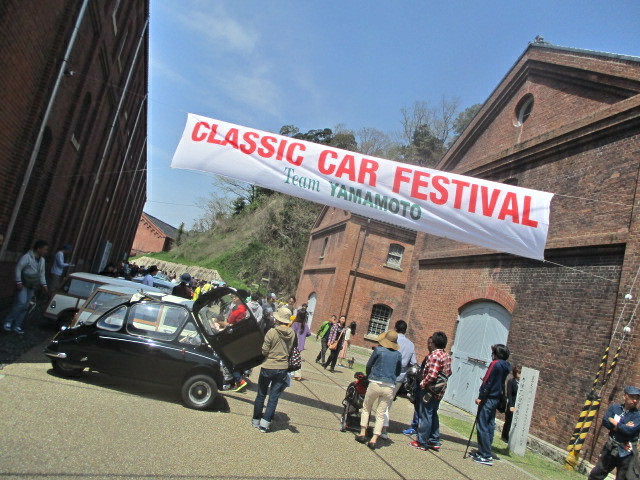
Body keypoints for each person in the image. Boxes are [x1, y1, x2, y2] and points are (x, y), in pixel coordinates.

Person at [355, 330, 402, 450]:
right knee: (381, 413)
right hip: (389, 386)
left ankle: (362, 433)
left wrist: (369, 375)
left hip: (375, 382)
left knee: (367, 407)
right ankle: (374, 439)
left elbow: (369, 365)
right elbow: (398, 371)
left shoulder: (378, 350)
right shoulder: (398, 355)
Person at [252, 307, 296, 433]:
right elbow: (290, 349)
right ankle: (265, 424)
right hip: (282, 367)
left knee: (261, 394)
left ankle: (256, 420)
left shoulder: (272, 332)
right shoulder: (292, 333)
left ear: (277, 319)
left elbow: (264, 350)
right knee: (273, 397)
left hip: (268, 366)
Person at [409, 331, 452, 452]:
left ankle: (421, 441)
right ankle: (434, 439)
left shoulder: (435, 355)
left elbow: (432, 375)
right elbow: (449, 372)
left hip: (429, 390)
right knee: (433, 413)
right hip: (439, 391)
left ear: (434, 343)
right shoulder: (446, 355)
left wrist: (423, 383)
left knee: (425, 415)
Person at [588, 385, 640, 480]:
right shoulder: (615, 408)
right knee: (597, 473)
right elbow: (605, 421)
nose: (635, 400)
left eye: (637, 398)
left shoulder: (638, 415)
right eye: (632, 397)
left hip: (626, 452)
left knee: (623, 478)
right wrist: (623, 426)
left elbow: (629, 431)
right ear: (625, 396)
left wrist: (615, 423)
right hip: (610, 447)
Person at [471, 344, 511, 466]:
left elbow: (488, 381)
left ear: (497, 354)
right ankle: (485, 450)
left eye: (493, 352)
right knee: (489, 424)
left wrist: (480, 396)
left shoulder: (495, 364)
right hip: (496, 398)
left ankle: (485, 454)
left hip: (488, 398)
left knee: (482, 424)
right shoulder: (506, 366)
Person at [4, 240, 49, 334]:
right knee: (21, 302)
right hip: (24, 283)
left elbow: (42, 273)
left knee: (26, 305)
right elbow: (18, 268)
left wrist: (44, 284)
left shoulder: (42, 260)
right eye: (44, 249)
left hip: (32, 284)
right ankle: (9, 321)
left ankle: (17, 324)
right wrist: (18, 281)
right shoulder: (27, 257)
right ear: (38, 249)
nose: (46, 251)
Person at [381, 320, 417, 439]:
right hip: (399, 377)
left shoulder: (391, 339)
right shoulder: (411, 345)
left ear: (395, 328)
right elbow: (413, 362)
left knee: (381, 400)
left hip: (385, 373)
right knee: (388, 402)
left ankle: (380, 427)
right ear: (405, 330)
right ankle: (383, 428)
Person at [403, 335, 434, 438]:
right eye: (428, 343)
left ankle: (419, 431)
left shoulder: (433, 357)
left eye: (430, 343)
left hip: (425, 388)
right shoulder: (429, 356)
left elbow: (431, 375)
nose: (428, 345)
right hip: (419, 387)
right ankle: (415, 427)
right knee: (418, 408)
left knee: (424, 411)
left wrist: (423, 383)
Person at [219, 292, 249, 391]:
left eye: (235, 297)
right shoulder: (243, 308)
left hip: (233, 336)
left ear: (240, 298)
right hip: (238, 336)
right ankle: (236, 380)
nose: (234, 298)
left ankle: (237, 380)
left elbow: (230, 322)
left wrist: (220, 322)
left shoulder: (239, 309)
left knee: (227, 359)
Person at [501, 365, 521, 442]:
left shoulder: (521, 383)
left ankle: (511, 437)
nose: (520, 375)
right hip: (511, 404)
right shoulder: (511, 382)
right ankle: (504, 436)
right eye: (519, 373)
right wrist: (511, 406)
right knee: (508, 421)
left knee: (514, 422)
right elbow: (509, 394)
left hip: (517, 404)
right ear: (515, 373)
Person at [290, 306, 311, 380]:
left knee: (292, 358)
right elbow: (309, 334)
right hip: (301, 345)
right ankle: (296, 374)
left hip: (294, 343)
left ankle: (294, 374)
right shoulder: (305, 325)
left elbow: (291, 332)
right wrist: (303, 335)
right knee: (297, 358)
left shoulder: (295, 324)